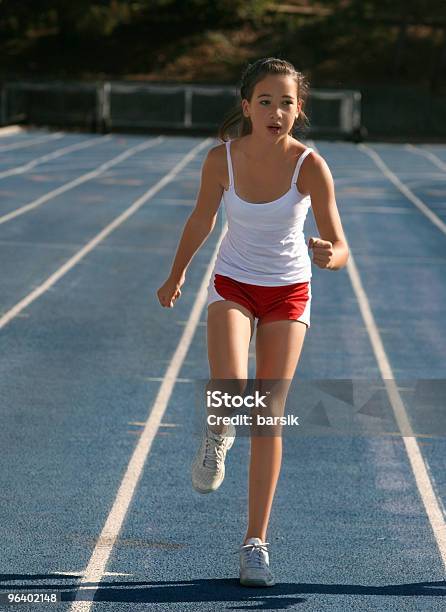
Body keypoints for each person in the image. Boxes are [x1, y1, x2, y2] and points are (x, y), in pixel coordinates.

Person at [157, 57, 349, 587]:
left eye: (286, 102)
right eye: (265, 101)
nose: (276, 111)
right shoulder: (222, 160)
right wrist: (177, 274)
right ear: (246, 106)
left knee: (269, 411)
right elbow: (202, 218)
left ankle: (255, 543)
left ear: (299, 110)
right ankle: (219, 428)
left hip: (288, 291)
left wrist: (327, 254)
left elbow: (340, 244)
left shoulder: (309, 165)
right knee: (231, 387)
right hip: (233, 284)